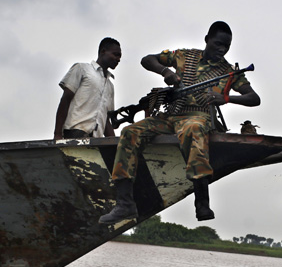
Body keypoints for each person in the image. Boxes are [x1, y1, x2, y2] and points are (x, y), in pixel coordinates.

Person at [99, 21, 260, 223]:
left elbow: (254, 98)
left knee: (193, 129)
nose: (222, 49)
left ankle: (202, 203)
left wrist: (226, 99)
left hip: (199, 117)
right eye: (218, 44)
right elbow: (147, 59)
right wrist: (166, 72)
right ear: (207, 40)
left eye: (226, 46)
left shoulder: (229, 72)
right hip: (171, 116)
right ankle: (124, 205)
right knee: (130, 131)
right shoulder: (185, 56)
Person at [54, 37, 122, 140]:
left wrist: (114, 143)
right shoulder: (82, 69)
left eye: (120, 56)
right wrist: (57, 134)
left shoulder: (110, 86)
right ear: (103, 51)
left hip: (95, 139)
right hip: (74, 132)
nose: (118, 59)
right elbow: (65, 100)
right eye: (115, 54)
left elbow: (105, 119)